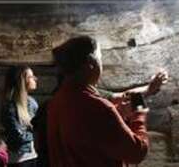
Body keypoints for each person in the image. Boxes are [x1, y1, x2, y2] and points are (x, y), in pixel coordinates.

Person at [46, 36, 168, 167]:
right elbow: (137, 152)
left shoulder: (57, 101)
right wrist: (138, 115)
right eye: (100, 58)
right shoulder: (97, 106)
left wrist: (149, 89)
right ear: (91, 63)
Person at [1, 66, 39, 166]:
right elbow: (17, 135)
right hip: (18, 159)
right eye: (31, 76)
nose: (35, 78)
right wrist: (35, 133)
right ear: (22, 81)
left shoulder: (32, 102)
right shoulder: (10, 107)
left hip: (34, 156)